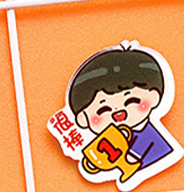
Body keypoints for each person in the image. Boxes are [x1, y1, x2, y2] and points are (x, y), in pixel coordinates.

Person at [69, 44, 177, 177]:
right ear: (83, 118)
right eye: (103, 110)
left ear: (154, 97)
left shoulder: (154, 141)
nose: (117, 111)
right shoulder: (96, 142)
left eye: (132, 101)